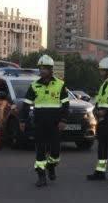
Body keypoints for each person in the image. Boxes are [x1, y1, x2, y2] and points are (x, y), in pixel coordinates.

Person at [20, 55, 70, 187]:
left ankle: (51, 166)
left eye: (45, 68)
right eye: (40, 68)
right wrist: (22, 120)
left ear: (50, 69)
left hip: (55, 124)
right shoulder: (34, 86)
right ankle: (41, 176)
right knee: (40, 150)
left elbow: (66, 105)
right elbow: (26, 104)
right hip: (39, 124)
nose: (42, 71)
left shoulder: (60, 85)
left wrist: (64, 120)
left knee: (55, 151)